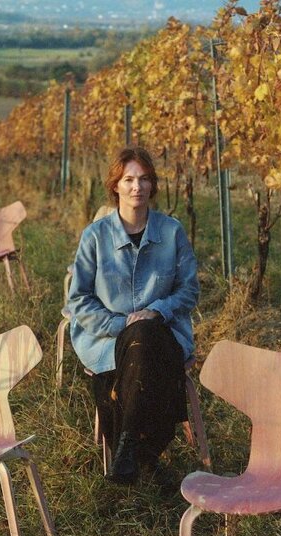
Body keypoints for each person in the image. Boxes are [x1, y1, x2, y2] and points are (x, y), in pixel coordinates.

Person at [68, 146, 199, 485]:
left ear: (153, 186)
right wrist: (121, 324)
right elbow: (79, 299)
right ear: (115, 186)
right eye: (128, 179)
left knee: (146, 338)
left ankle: (126, 447)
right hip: (107, 336)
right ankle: (147, 453)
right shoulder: (95, 236)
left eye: (144, 179)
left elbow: (189, 290)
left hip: (163, 330)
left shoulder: (171, 232)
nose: (136, 187)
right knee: (139, 340)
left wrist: (157, 311)